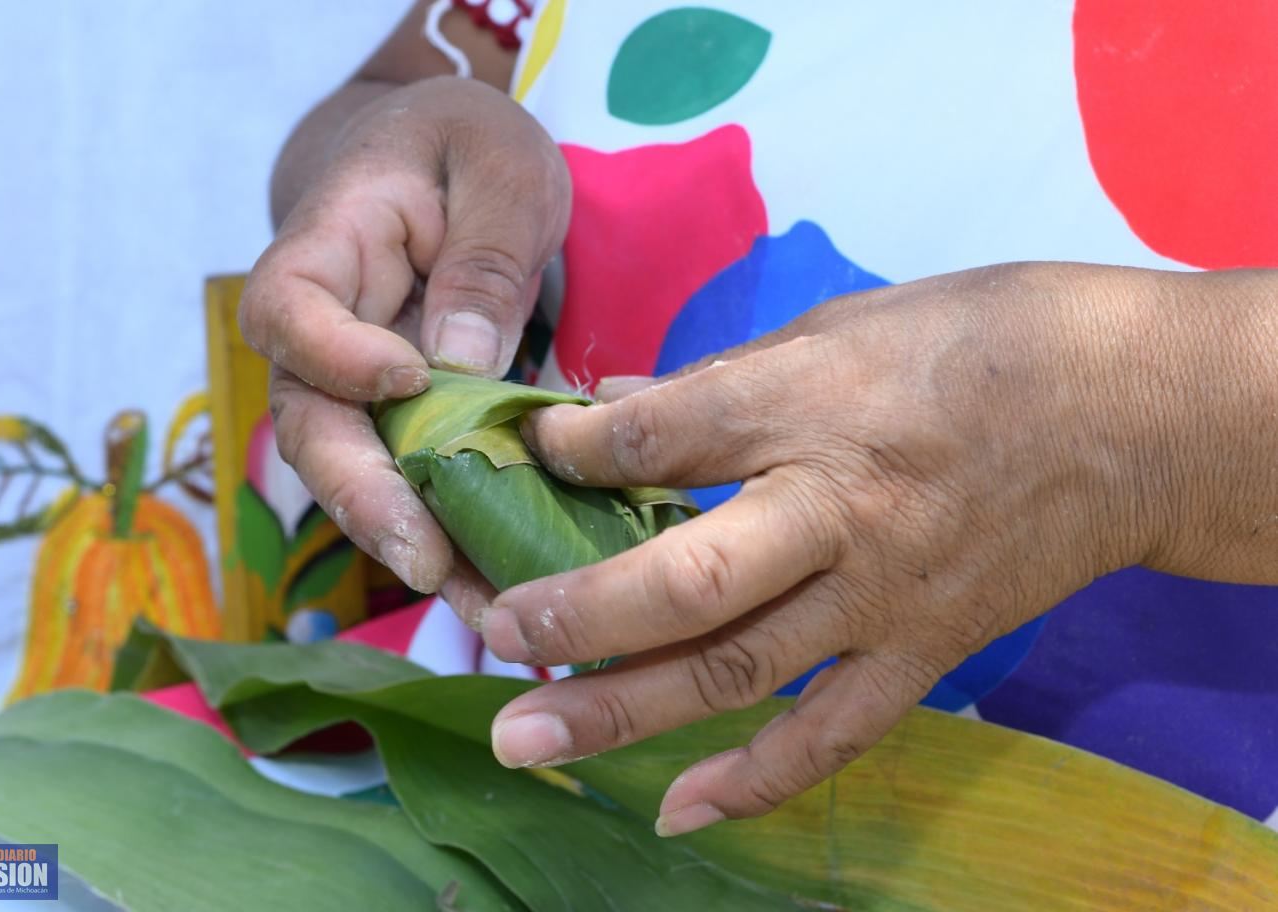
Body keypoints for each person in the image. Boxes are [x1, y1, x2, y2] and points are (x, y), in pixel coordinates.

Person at [242, 0, 1278, 837]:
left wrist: (1135, 421)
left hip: (1165, 843)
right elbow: (408, 79)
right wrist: (390, 158)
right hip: (550, 806)